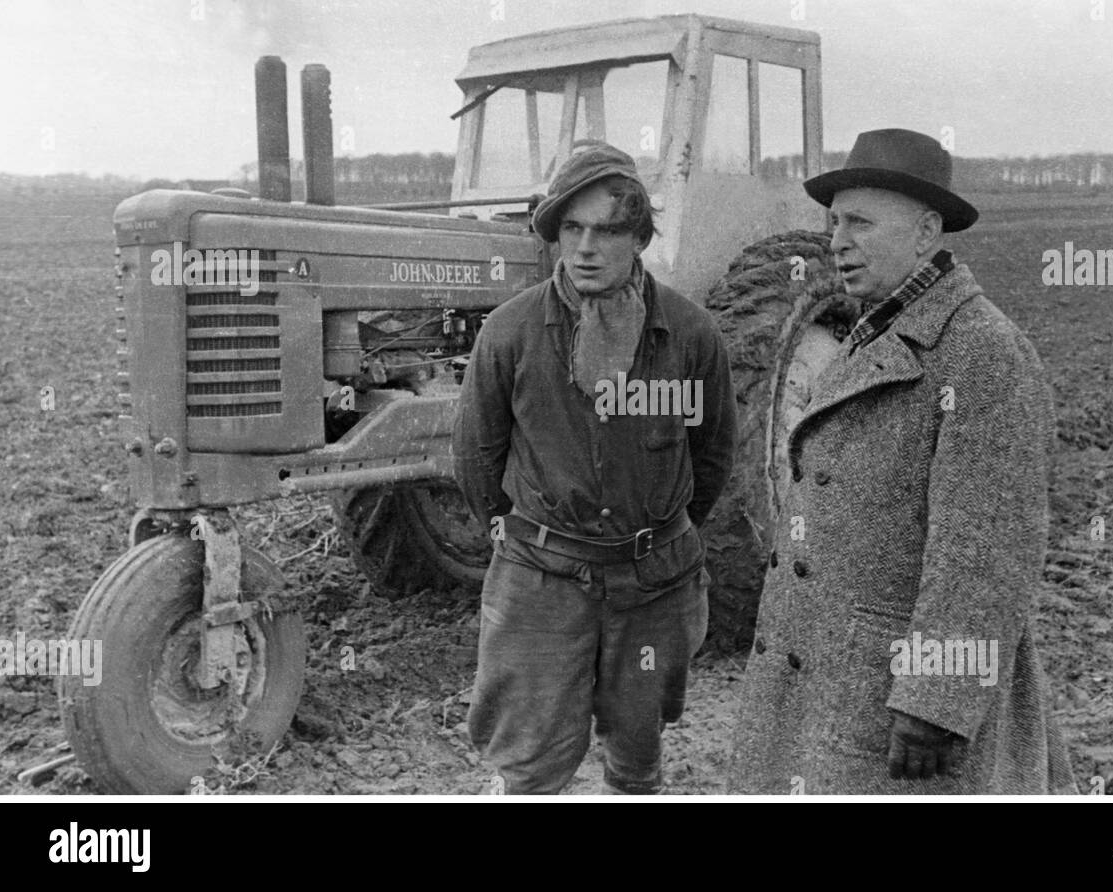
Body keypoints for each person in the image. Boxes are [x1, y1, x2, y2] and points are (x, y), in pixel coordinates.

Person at [728, 129, 1076, 794]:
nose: (837, 242)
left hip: (890, 704)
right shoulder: (872, 333)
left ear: (926, 231)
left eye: (860, 223)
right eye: (833, 223)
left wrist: (935, 700)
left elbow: (986, 548)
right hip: (830, 677)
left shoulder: (982, 354)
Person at [453, 142, 737, 794]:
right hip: (541, 585)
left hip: (653, 586)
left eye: (608, 230)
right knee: (528, 764)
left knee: (636, 755)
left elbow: (714, 456)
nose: (586, 247)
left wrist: (656, 534)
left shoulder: (691, 336)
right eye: (571, 228)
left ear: (639, 237)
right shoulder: (510, 333)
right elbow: (476, 460)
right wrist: (530, 537)